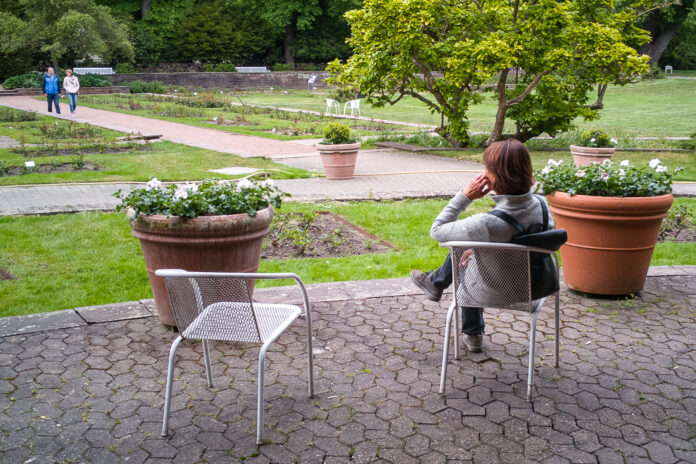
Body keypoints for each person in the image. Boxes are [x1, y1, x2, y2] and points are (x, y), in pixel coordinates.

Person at [410, 139, 553, 353]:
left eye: (486, 168)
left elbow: (437, 230)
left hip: (497, 290)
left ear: (494, 176)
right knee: (471, 251)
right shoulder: (542, 205)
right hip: (537, 287)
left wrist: (465, 196)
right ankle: (437, 282)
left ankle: (470, 328)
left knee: (464, 258)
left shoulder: (484, 223)